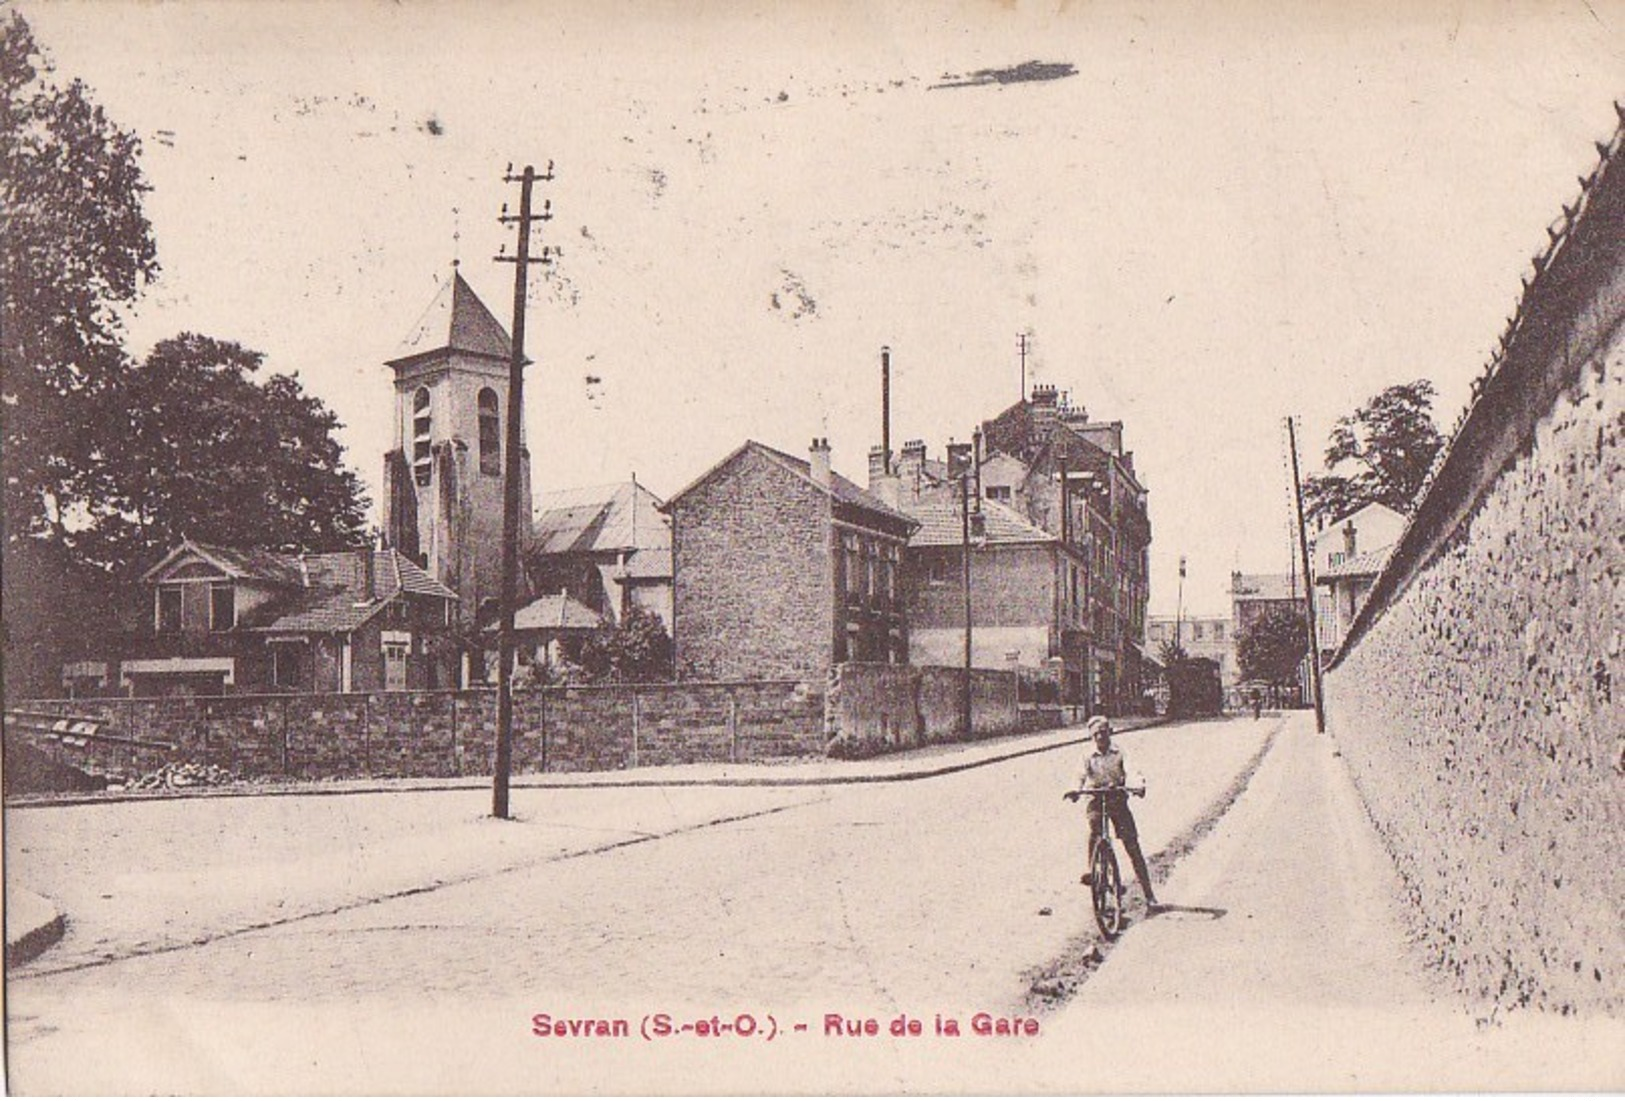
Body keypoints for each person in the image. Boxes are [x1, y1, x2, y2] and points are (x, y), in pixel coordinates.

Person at [1066, 715, 1158, 907]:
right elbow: (1078, 775)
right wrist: (1074, 789)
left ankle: (1149, 895)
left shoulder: (1119, 753)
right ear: (1091, 737)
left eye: (1103, 732)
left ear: (1110, 732)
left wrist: (1138, 785)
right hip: (1095, 797)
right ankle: (1093, 871)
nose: (1100, 737)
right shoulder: (1087, 756)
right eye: (1095, 734)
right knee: (1094, 830)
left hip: (1116, 797)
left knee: (1131, 844)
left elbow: (1132, 771)